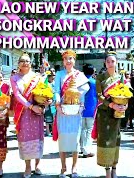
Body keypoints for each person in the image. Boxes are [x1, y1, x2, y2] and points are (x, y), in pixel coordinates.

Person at [11, 53, 49, 178]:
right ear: (18, 63)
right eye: (22, 61)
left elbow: (44, 92)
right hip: (23, 112)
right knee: (25, 138)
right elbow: (17, 95)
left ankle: (37, 165)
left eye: (27, 60)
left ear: (31, 63)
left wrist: (46, 102)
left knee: (37, 137)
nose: (25, 63)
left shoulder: (37, 77)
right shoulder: (14, 78)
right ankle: (27, 166)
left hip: (37, 112)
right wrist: (31, 106)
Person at [53, 49, 90, 177]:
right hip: (62, 109)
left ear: (74, 60)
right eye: (66, 58)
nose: (68, 61)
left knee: (75, 140)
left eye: (71, 58)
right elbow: (56, 91)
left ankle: (74, 168)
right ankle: (63, 168)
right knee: (63, 139)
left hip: (75, 111)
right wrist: (58, 104)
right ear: (63, 61)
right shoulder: (59, 74)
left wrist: (81, 105)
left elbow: (83, 92)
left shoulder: (80, 75)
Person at [92, 51, 128, 178]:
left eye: (113, 61)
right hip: (104, 112)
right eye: (108, 61)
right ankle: (107, 169)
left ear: (116, 62)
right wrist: (111, 104)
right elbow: (99, 95)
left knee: (115, 138)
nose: (111, 63)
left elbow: (125, 95)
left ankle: (114, 167)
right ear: (105, 63)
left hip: (117, 113)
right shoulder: (101, 77)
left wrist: (124, 105)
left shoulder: (121, 78)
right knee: (105, 139)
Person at [79, 64, 96, 158]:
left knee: (82, 129)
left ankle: (82, 147)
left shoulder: (80, 81)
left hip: (81, 108)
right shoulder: (94, 82)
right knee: (89, 129)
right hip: (91, 108)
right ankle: (87, 150)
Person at [45, 72, 56, 136]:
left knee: (54, 117)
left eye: (53, 75)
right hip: (47, 102)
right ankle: (48, 131)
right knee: (48, 117)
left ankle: (54, 131)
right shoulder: (46, 84)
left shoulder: (55, 83)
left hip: (54, 103)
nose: (52, 77)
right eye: (51, 76)